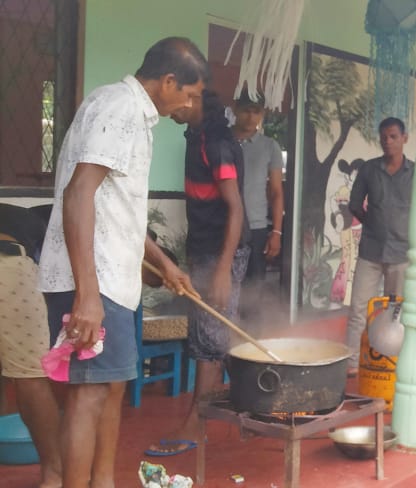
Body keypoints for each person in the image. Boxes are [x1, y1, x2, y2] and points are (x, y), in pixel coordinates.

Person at [37, 37, 204, 488]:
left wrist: (164, 263)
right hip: (95, 282)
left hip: (114, 281)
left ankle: (105, 482)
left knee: (110, 389)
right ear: (169, 80)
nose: (190, 103)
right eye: (189, 93)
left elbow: (117, 209)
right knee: (88, 395)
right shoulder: (119, 108)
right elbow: (78, 194)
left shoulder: (134, 116)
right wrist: (87, 295)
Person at [146, 89, 250, 456]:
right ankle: (257, 405)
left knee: (208, 341)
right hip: (206, 250)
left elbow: (234, 209)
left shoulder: (217, 144)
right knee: (213, 335)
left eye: (175, 96)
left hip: (221, 253)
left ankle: (197, 424)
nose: (168, 105)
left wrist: (222, 270)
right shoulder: (198, 137)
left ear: (192, 99)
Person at [345, 117, 414, 376]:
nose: (388, 141)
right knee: (358, 309)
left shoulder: (415, 172)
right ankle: (351, 363)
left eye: (393, 136)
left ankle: (392, 360)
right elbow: (354, 204)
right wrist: (371, 223)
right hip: (371, 251)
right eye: (384, 137)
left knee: (396, 313)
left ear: (404, 138)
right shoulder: (369, 170)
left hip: (402, 253)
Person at [0, 203, 60, 487]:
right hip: (8, 265)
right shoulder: (49, 226)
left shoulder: (20, 217)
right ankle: (55, 474)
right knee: (31, 375)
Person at [231, 88, 284, 317]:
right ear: (235, 109)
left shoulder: (269, 146)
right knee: (225, 287)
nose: (251, 117)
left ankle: (250, 344)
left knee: (253, 291)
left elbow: (275, 191)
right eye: (246, 111)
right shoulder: (222, 141)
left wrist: (277, 232)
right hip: (223, 226)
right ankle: (222, 346)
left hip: (256, 228)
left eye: (256, 112)